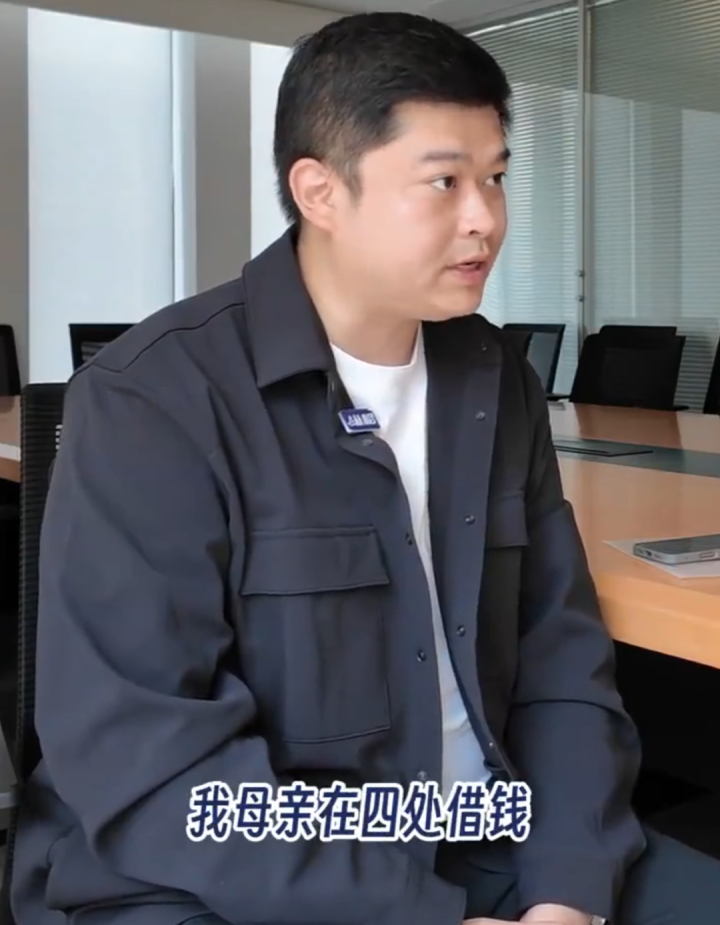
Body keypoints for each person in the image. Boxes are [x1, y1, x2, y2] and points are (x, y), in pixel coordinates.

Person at [9, 11, 720, 925]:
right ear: (320, 192)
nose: (486, 218)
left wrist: (567, 889)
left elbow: (563, 665)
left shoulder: (494, 378)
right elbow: (146, 758)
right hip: (216, 873)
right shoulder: (154, 397)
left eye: (496, 177)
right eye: (445, 181)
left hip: (483, 836)